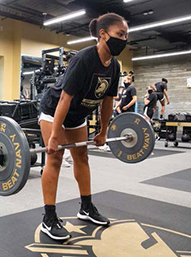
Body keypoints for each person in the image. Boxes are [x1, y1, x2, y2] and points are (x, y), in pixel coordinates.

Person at [38, 13, 128, 240]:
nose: (124, 39)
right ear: (103, 34)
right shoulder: (83, 59)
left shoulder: (114, 66)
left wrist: (103, 131)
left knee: (82, 157)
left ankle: (86, 207)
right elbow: (64, 100)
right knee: (55, 157)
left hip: (78, 115)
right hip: (54, 110)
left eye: (126, 35)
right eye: (120, 34)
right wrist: (55, 136)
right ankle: (49, 218)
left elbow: (108, 101)